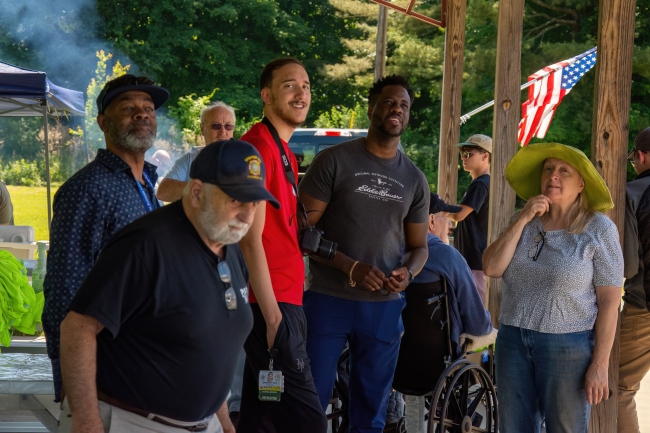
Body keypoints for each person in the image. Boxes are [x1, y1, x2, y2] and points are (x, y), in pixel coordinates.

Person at [59, 140, 279, 433]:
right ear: (197, 192)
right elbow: (77, 328)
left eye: (254, 204)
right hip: (134, 422)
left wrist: (223, 421)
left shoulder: (229, 244)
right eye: (235, 201)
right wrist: (87, 421)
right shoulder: (145, 245)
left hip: (204, 423)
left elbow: (212, 347)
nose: (247, 217)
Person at [299, 74, 430, 432]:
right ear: (371, 109)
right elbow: (301, 232)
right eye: (388, 102)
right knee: (310, 401)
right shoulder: (333, 160)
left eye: (403, 105)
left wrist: (408, 273)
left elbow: (419, 247)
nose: (396, 110)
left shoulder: (415, 179)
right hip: (327, 299)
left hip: (383, 306)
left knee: (372, 411)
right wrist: (349, 266)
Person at [43, 74, 169, 403]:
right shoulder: (87, 190)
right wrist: (72, 382)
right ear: (103, 122)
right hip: (103, 371)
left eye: (148, 109)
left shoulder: (146, 184)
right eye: (127, 108)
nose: (141, 115)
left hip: (141, 363)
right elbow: (63, 289)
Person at [483, 143, 623, 433]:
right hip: (512, 339)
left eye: (564, 170)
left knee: (565, 428)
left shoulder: (599, 229)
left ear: (581, 184)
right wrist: (523, 217)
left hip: (568, 345)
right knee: (513, 428)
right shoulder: (524, 221)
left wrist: (600, 365)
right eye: (548, 169)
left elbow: (610, 301)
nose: (553, 175)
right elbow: (491, 267)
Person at [237, 58, 327, 433]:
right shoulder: (257, 148)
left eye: (305, 85)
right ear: (267, 95)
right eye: (289, 85)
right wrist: (274, 318)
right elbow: (249, 239)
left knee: (262, 418)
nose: (301, 93)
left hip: (286, 298)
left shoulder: (283, 150)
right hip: (271, 304)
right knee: (310, 423)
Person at [399, 192, 495, 433]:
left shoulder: (388, 253)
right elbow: (477, 323)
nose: (451, 224)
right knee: (489, 339)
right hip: (439, 363)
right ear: (431, 221)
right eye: (446, 218)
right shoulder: (447, 256)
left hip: (395, 361)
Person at [619, 126, 650, 433]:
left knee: (618, 386)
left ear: (641, 156)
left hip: (644, 307)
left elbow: (627, 267)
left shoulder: (633, 192)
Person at [157, 101, 236, 202]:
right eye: (216, 126)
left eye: (228, 126)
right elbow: (163, 192)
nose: (223, 132)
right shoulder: (189, 160)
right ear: (202, 129)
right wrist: (207, 191)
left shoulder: (244, 161)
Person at [448, 134, 492, 304]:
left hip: (475, 260)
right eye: (462, 153)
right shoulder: (485, 183)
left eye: (468, 153)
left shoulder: (480, 184)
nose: (463, 158)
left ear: (485, 155)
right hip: (475, 259)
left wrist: (438, 209)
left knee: (475, 310)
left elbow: (459, 214)